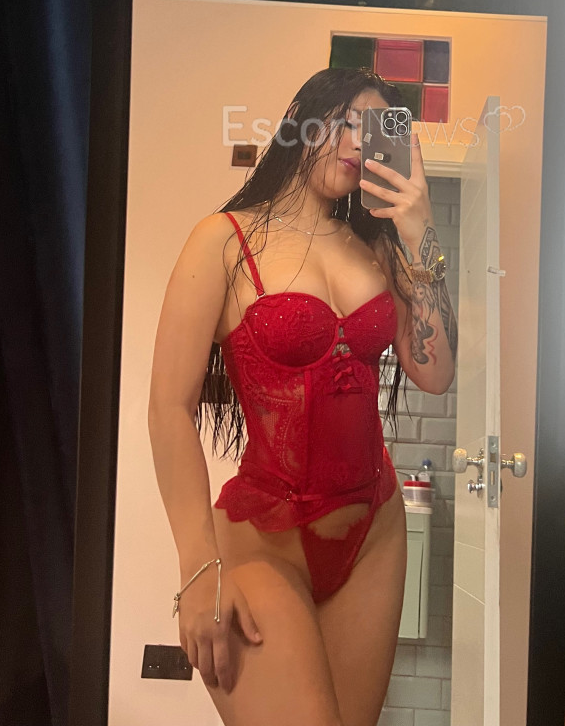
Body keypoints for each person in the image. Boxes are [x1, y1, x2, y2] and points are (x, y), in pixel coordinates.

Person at [148, 67, 458, 726]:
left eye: (374, 132)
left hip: (373, 533)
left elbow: (434, 372)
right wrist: (197, 566)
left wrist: (420, 228)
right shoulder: (223, 239)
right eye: (346, 121)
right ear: (301, 121)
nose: (357, 143)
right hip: (265, 539)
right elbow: (168, 408)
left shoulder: (378, 249)